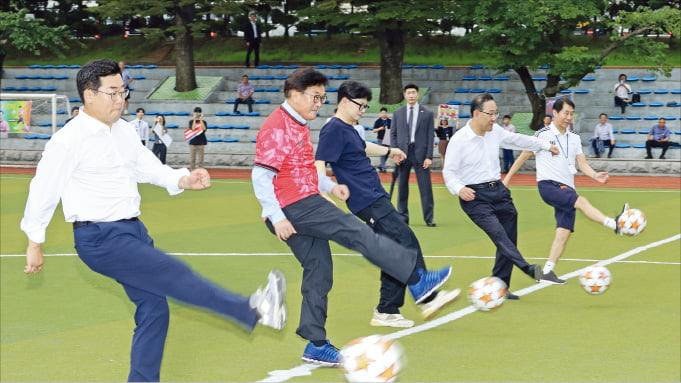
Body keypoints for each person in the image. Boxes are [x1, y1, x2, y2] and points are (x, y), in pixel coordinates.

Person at [19, 58, 287, 382]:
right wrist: (35, 240)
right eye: (113, 93)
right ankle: (252, 310)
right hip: (101, 237)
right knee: (173, 273)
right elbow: (43, 188)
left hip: (133, 231)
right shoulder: (68, 140)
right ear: (89, 95)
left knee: (154, 309)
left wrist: (183, 179)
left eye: (124, 91)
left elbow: (147, 167)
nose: (121, 99)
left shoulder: (123, 130)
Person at [252, 68, 453, 367]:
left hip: (298, 204)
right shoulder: (278, 126)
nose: (319, 103)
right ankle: (417, 280)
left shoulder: (298, 125)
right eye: (314, 97)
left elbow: (305, 170)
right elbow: (261, 175)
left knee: (319, 271)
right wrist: (276, 215)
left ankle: (316, 344)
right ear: (294, 94)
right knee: (358, 233)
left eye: (322, 97)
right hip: (296, 206)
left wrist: (332, 186)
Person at [315, 80, 461, 328]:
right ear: (343, 102)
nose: (363, 110)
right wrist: (323, 189)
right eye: (360, 105)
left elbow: (363, 148)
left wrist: (389, 150)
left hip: (374, 194)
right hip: (364, 199)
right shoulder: (333, 129)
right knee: (406, 240)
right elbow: (319, 161)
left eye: (365, 106)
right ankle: (425, 293)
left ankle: (387, 309)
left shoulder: (350, 128)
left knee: (391, 250)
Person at [442, 93, 558, 298]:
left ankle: (501, 286)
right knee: (499, 235)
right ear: (477, 114)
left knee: (509, 238)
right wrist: (459, 188)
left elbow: (517, 140)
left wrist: (545, 146)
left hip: (499, 192)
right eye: (490, 114)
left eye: (496, 113)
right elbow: (449, 172)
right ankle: (526, 268)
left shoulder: (494, 131)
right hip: (474, 197)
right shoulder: (459, 140)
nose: (494, 118)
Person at [503, 98, 628, 285]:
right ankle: (615, 224)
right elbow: (524, 155)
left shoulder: (575, 138)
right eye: (565, 113)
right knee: (582, 201)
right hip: (549, 186)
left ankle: (547, 272)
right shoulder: (543, 134)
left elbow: (581, 163)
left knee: (564, 232)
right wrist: (506, 179)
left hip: (566, 188)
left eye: (571, 113)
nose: (569, 117)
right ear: (555, 113)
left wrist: (595, 176)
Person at [390, 84, 436, 227]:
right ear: (404, 95)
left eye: (413, 92)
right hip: (403, 154)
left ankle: (429, 218)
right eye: (408, 93)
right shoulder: (397, 113)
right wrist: (395, 153)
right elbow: (393, 134)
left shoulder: (427, 113)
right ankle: (403, 217)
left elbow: (430, 136)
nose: (411, 95)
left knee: (425, 188)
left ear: (418, 94)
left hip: (421, 154)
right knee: (402, 187)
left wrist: (429, 156)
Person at [373, 107, 391, 173]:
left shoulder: (390, 121)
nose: (383, 114)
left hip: (388, 139)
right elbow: (374, 130)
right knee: (382, 153)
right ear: (380, 113)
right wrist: (380, 128)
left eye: (385, 113)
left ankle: (381, 165)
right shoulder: (378, 121)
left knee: (388, 152)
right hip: (380, 139)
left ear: (386, 113)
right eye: (382, 113)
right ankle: (383, 167)